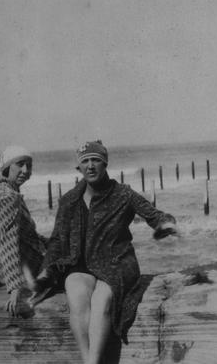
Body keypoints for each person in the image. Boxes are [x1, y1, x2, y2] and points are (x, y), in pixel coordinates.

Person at [33, 140, 177, 364]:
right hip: (80, 264)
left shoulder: (123, 194)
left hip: (117, 261)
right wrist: (46, 272)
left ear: (105, 163)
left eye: (96, 160)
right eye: (85, 161)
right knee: (77, 295)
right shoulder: (69, 200)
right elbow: (57, 241)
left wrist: (166, 224)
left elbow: (154, 215)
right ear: (78, 167)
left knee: (101, 301)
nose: (90, 166)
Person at [0, 145, 49, 316]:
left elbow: (23, 235)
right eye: (20, 164)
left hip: (3, 269)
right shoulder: (8, 197)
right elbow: (8, 241)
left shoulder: (0, 190)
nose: (25, 170)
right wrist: (15, 288)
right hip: (23, 269)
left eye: (29, 165)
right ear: (6, 167)